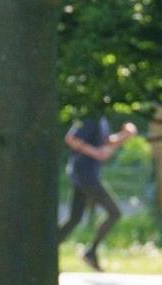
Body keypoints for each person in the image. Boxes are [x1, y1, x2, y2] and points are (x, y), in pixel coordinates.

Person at [58, 113, 138, 271]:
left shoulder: (102, 119)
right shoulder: (90, 115)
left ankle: (45, 250)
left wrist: (124, 136)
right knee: (114, 212)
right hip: (84, 175)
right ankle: (91, 251)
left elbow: (106, 142)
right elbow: (71, 139)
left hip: (87, 175)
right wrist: (96, 153)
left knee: (74, 218)